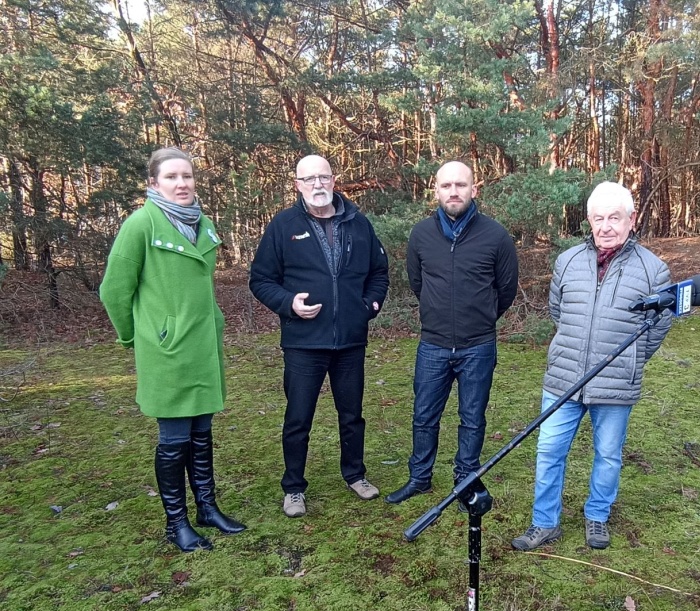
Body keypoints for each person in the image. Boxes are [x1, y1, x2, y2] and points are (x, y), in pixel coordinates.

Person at [100, 147, 246, 553]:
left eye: (187, 176)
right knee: (174, 438)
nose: (182, 184)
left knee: (202, 432)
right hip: (167, 351)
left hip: (203, 346)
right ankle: (176, 523)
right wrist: (139, 335)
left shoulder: (203, 224)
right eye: (172, 177)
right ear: (154, 183)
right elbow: (113, 290)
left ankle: (207, 508)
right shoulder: (141, 225)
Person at [512, 181, 671, 552]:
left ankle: (597, 517)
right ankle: (544, 522)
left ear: (632, 220)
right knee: (549, 451)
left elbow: (658, 326)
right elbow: (558, 311)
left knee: (608, 455)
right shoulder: (567, 261)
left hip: (616, 384)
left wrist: (630, 361)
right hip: (564, 378)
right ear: (589, 220)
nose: (606, 227)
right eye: (598, 218)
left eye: (614, 218)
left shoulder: (654, 270)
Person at [250, 155, 389, 517]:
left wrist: (369, 306)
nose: (317, 184)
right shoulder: (283, 226)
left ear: (334, 180)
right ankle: (294, 487)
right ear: (297, 184)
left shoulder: (359, 224)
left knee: (352, 414)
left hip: (350, 341)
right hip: (303, 342)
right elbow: (261, 280)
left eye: (323, 176)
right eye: (308, 178)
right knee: (298, 417)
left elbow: (379, 272)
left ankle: (355, 474)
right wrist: (287, 303)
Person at [384, 161, 518, 504]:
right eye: (446, 186)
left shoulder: (496, 236)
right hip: (433, 344)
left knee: (472, 418)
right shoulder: (421, 235)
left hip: (478, 346)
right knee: (424, 415)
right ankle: (420, 478)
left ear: (475, 189)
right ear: (437, 191)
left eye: (461, 185)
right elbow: (418, 283)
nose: (454, 191)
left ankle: (465, 481)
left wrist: (482, 318)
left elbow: (506, 290)